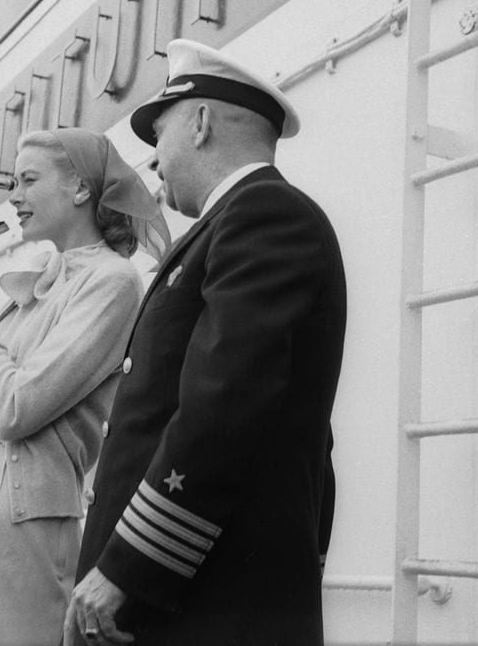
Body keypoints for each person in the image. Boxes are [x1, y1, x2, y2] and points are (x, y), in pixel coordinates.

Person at [64, 39, 347, 646]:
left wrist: (126, 567)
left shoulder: (264, 214)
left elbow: (226, 405)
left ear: (200, 123)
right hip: (188, 592)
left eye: (158, 136)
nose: (155, 163)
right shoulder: (236, 224)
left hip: (201, 603)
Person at [0, 128, 170, 646]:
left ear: (79, 190)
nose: (13, 197)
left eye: (29, 180)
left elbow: (12, 409)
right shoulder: (40, 274)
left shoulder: (112, 282)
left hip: (21, 522)